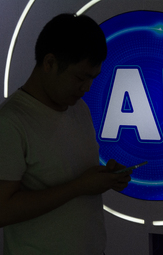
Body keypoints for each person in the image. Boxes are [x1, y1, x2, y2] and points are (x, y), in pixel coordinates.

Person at [0, 13, 132, 255]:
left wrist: (106, 177)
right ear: (49, 63)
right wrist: (80, 186)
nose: (87, 87)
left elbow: (74, 173)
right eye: (80, 77)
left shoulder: (78, 108)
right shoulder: (10, 121)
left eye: (93, 78)